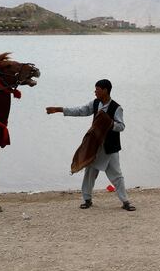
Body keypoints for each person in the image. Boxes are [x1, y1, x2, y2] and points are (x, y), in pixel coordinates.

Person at [46, 79, 135, 211]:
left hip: (110, 148)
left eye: (97, 89)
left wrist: (110, 124)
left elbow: (121, 126)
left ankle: (126, 202)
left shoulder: (117, 108)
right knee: (89, 174)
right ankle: (87, 200)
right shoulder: (95, 103)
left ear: (105, 90)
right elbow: (81, 110)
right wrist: (60, 110)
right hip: (95, 146)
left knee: (117, 175)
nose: (95, 92)